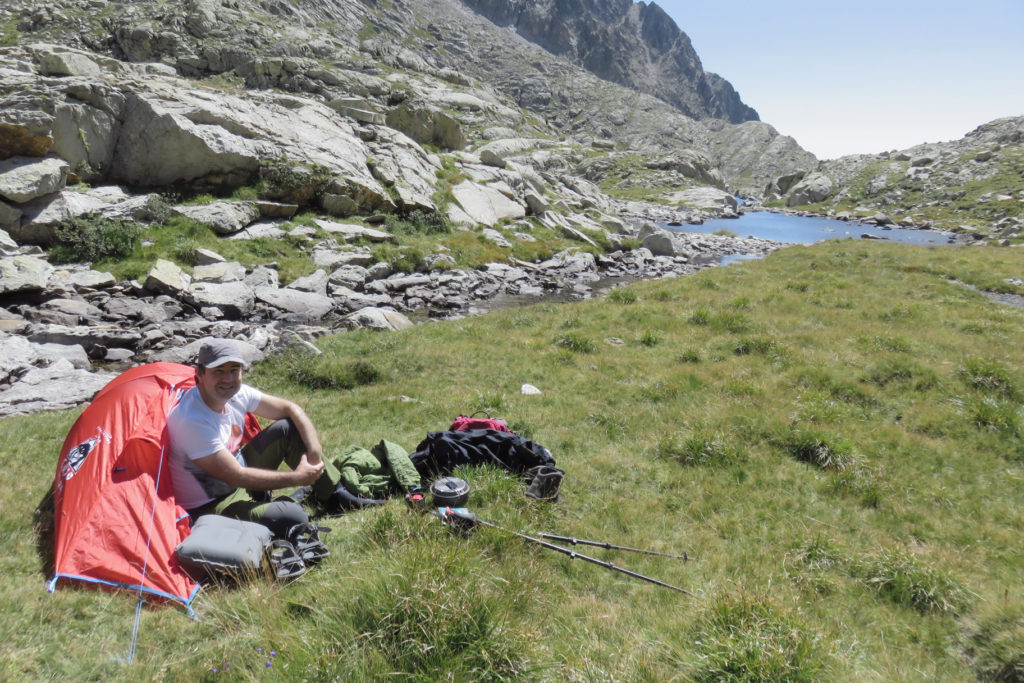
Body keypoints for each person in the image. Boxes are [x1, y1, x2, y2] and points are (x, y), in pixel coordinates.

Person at [167, 338, 378, 537]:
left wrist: (314, 451)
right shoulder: (192, 420)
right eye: (218, 372)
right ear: (199, 375)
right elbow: (234, 476)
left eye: (234, 370)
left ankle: (335, 495)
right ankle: (285, 501)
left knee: (287, 428)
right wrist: (298, 478)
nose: (228, 379)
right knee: (294, 517)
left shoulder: (235, 394)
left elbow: (290, 409)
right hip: (214, 504)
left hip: (241, 475)